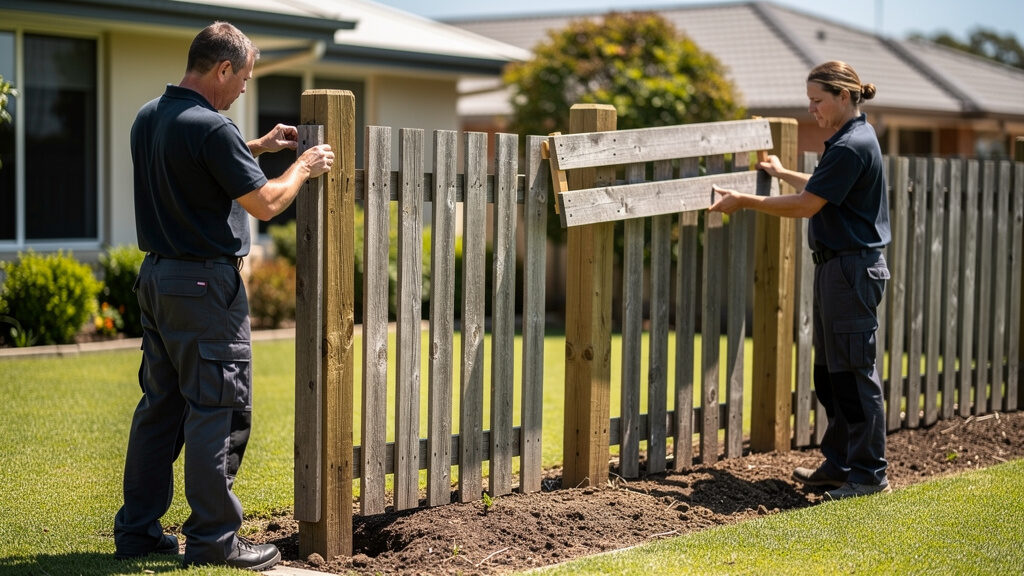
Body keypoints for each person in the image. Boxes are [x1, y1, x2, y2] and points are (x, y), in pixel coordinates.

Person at [113, 21, 333, 569]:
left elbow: (198, 175)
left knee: (160, 410)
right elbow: (264, 204)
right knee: (218, 408)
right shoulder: (213, 129)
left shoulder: (150, 117)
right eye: (244, 78)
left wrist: (255, 146)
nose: (244, 90)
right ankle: (215, 540)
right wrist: (303, 165)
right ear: (222, 68)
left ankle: (138, 532)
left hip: (158, 280)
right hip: (206, 288)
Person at [709, 61, 891, 501]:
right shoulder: (850, 141)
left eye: (818, 100)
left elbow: (809, 206)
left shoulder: (851, 145)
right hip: (838, 268)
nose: (811, 108)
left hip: (851, 269)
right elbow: (823, 188)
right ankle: (841, 463)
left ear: (844, 96)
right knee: (830, 374)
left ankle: (868, 477)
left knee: (854, 373)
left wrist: (746, 200)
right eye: (809, 100)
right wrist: (781, 173)